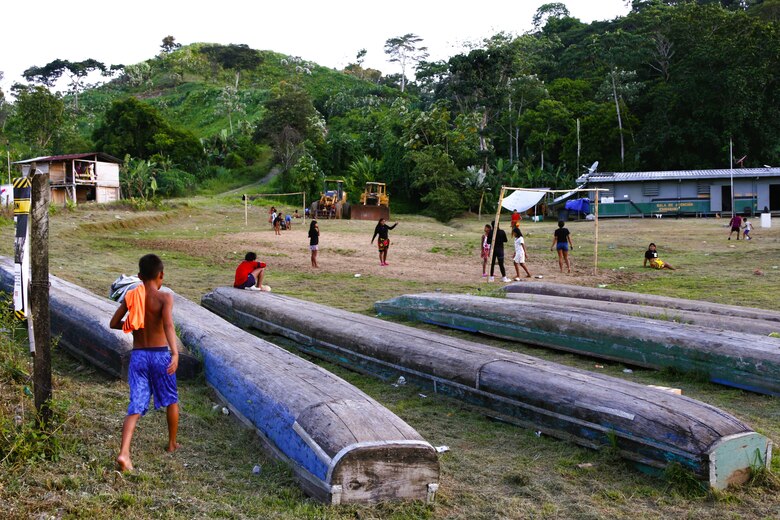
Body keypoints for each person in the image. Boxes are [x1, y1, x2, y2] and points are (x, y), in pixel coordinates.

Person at [110, 254, 179, 472]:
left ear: (139, 276)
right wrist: (175, 353)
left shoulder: (132, 296)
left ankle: (124, 453)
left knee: (136, 404)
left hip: (139, 356)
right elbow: (168, 325)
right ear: (161, 275)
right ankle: (171, 444)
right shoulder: (165, 298)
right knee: (171, 399)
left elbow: (113, 323)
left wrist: (131, 324)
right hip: (160, 356)